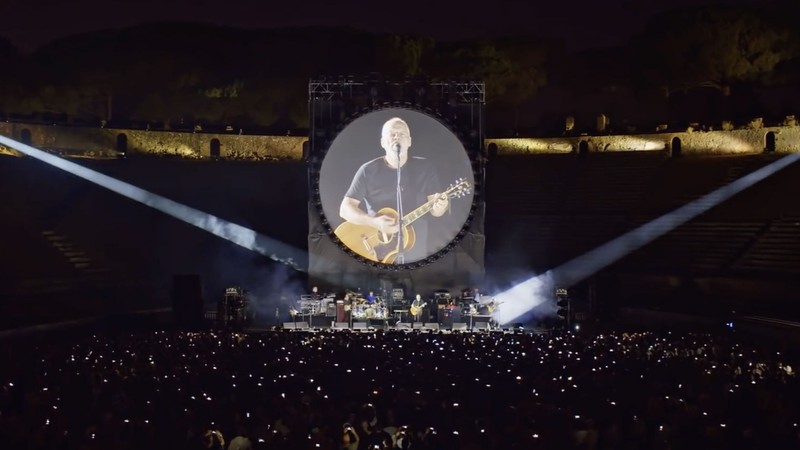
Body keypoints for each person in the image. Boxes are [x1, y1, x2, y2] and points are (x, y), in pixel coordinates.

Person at [338, 117, 449, 263]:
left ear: (409, 141)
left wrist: (442, 205)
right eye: (392, 134)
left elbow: (435, 210)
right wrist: (374, 223)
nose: (397, 137)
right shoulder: (367, 170)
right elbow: (345, 209)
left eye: (401, 134)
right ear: (383, 143)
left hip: (416, 248)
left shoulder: (425, 168)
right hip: (375, 249)